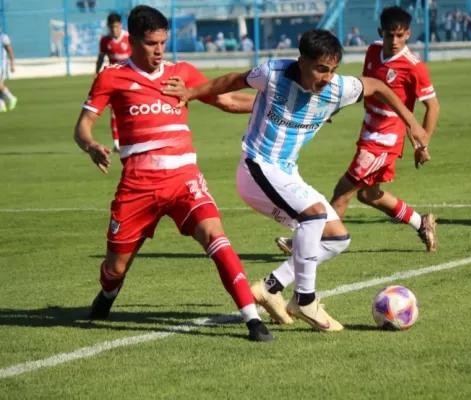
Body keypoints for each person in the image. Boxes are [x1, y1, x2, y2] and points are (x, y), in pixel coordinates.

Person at [162, 29, 430, 332]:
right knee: (313, 216)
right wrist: (190, 93)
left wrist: (412, 124)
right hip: (256, 168)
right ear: (301, 61)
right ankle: (305, 300)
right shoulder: (273, 73)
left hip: (286, 172)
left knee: (337, 239)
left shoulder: (339, 88)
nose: (328, 77)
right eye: (320, 69)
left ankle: (270, 287)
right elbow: (232, 80)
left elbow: (378, 86)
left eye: (333, 70)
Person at [75, 5, 274, 342]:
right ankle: (108, 293)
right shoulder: (112, 76)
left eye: (163, 43)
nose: (159, 50)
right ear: (134, 41)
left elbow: (227, 101)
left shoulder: (181, 73)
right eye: (152, 43)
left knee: (216, 237)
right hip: (137, 187)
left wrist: (275, 105)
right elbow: (82, 126)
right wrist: (90, 144)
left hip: (184, 179)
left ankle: (253, 320)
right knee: (116, 267)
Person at [274, 7, 439, 257]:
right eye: (388, 35)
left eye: (399, 35)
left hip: (385, 141)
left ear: (408, 34)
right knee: (368, 194)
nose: (393, 41)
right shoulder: (373, 51)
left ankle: (304, 244)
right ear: (379, 32)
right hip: (367, 133)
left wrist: (422, 145)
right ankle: (421, 222)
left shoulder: (414, 66)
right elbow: (362, 88)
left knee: (342, 192)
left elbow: (432, 106)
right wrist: (332, 110)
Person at [96, 13, 131, 151]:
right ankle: (117, 143)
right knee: (114, 111)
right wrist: (97, 73)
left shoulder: (129, 38)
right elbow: (100, 58)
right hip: (114, 80)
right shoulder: (105, 41)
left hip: (130, 79)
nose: (114, 30)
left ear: (121, 25)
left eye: (116, 26)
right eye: (112, 27)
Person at [0, 29, 17, 112]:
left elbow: (10, 51)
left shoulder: (3, 37)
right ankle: (2, 106)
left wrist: (12, 64)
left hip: (1, 65)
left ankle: (11, 97)